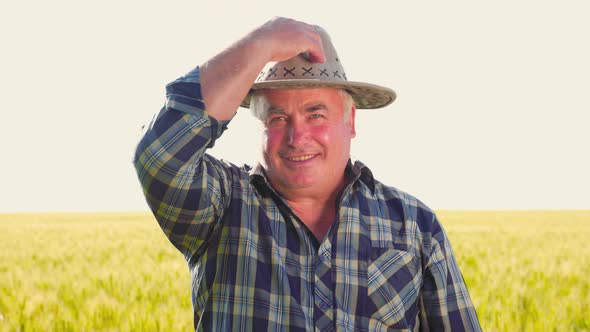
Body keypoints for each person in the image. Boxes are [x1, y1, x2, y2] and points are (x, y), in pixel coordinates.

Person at [134, 17, 481, 331]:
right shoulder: (222, 205)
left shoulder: (414, 224)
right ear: (261, 128)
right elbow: (160, 154)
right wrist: (262, 44)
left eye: (316, 115)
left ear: (351, 122)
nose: (297, 138)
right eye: (278, 118)